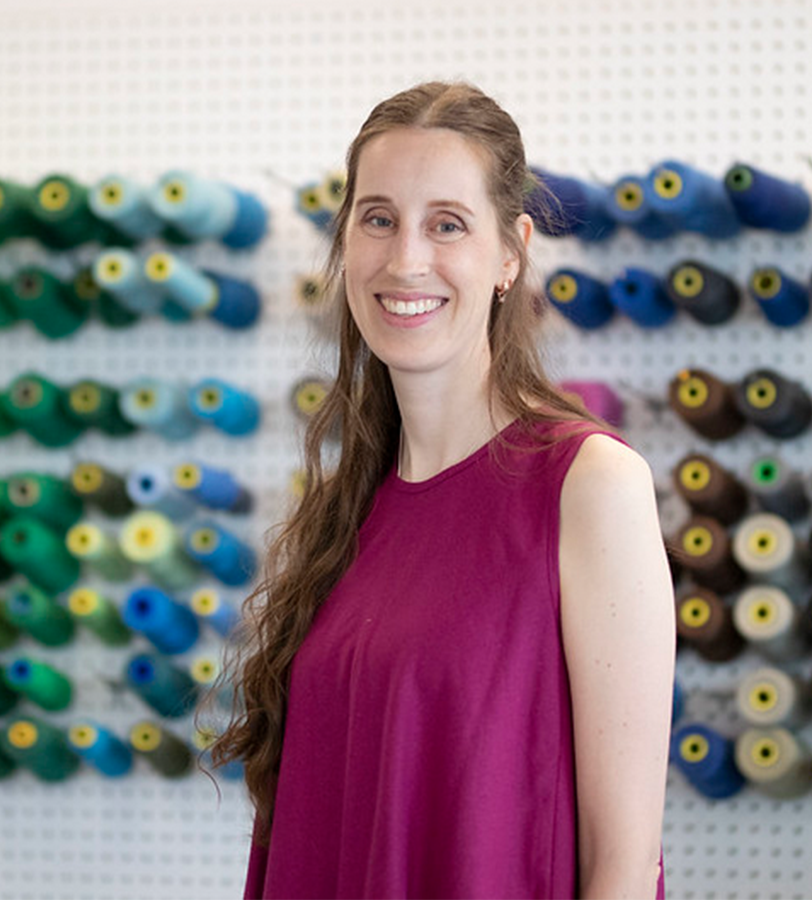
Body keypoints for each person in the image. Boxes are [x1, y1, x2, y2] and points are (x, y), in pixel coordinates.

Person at [209, 81, 676, 899]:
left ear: (510, 254)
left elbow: (625, 865)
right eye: (378, 219)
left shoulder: (588, 485)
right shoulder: (349, 508)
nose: (405, 261)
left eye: (447, 224)